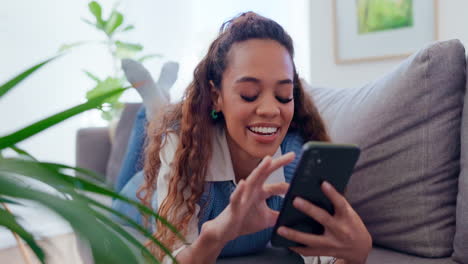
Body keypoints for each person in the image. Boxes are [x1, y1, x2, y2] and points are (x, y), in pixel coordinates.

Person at [118, 12, 372, 264]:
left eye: (284, 95)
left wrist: (356, 253)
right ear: (217, 96)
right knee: (118, 191)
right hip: (142, 198)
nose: (271, 110)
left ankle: (156, 104)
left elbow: (323, 256)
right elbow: (170, 256)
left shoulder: (295, 155)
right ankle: (151, 108)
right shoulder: (184, 145)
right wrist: (215, 235)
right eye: (250, 94)